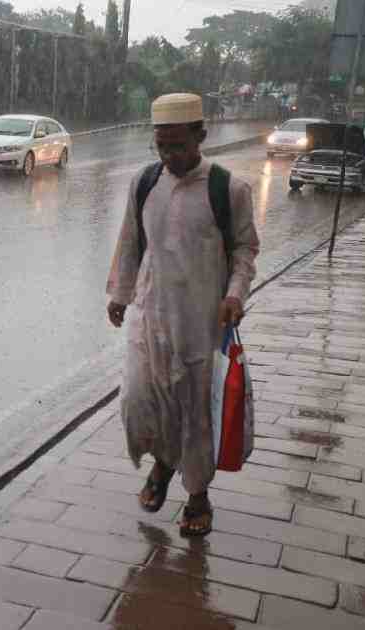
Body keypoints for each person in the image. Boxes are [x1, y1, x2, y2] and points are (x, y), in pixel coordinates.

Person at [105, 93, 260, 537]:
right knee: (139, 401)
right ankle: (162, 463)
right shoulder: (145, 182)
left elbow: (245, 250)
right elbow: (131, 241)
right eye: (161, 147)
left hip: (200, 322)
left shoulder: (228, 189)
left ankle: (197, 495)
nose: (170, 156)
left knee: (194, 411)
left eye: (178, 145)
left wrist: (234, 294)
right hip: (148, 315)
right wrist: (120, 292)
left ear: (200, 136)